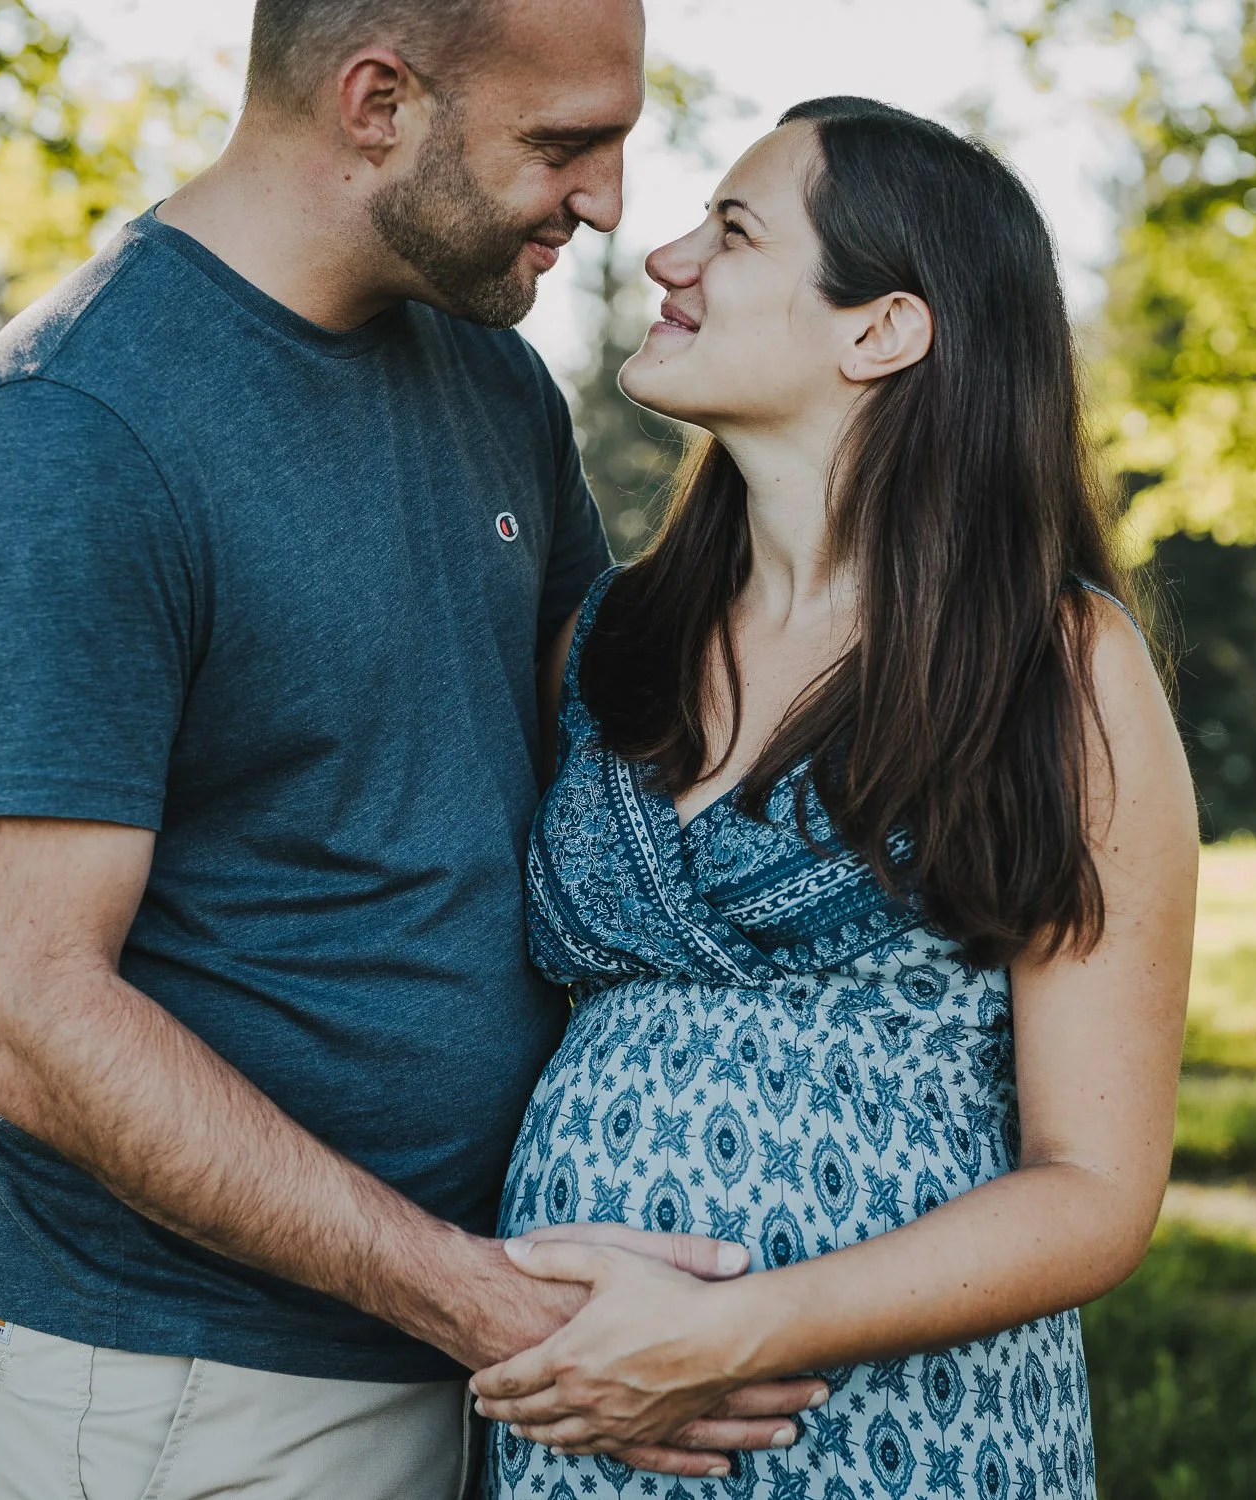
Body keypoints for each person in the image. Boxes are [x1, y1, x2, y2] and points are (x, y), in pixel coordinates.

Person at [0, 2, 824, 1496]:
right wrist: (464, 1297)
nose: (607, 203)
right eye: (562, 143)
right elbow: (19, 1015)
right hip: (190, 1386)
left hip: (486, 1348)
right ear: (376, 100)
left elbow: (621, 752)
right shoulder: (68, 437)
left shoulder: (486, 375)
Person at [468, 97, 1199, 1498]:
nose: (663, 255)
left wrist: (732, 1331)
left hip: (898, 1432)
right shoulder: (609, 639)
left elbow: (1094, 1191)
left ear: (883, 329)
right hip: (592, 1428)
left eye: (731, 231)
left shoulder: (1054, 668)